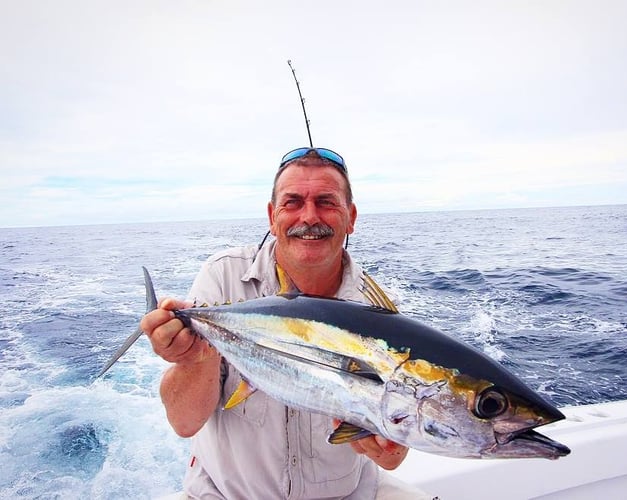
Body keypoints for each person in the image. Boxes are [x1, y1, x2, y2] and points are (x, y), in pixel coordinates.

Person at [141, 147, 433, 499]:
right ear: (271, 215)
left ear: (351, 217)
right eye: (292, 202)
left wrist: (393, 446)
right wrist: (193, 356)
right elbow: (184, 423)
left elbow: (391, 460)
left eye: (326, 201)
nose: (309, 217)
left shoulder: (375, 311)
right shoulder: (223, 276)